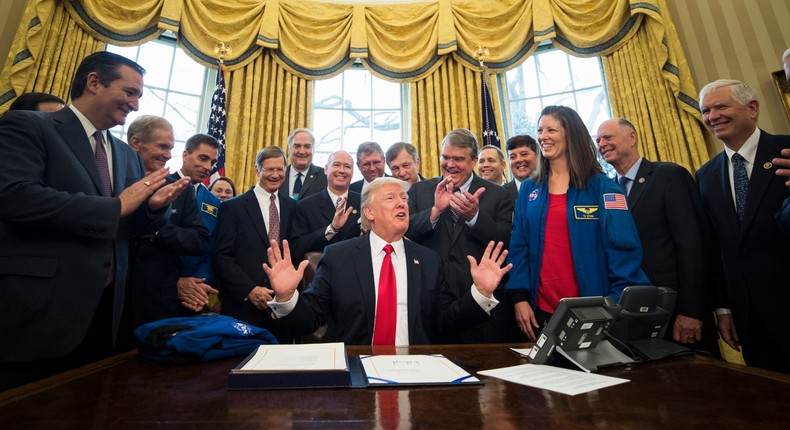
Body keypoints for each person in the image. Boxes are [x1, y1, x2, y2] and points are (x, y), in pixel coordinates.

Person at [0, 51, 189, 390]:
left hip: (107, 314)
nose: (134, 104)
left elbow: (130, 228)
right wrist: (114, 208)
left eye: (139, 97)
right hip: (41, 312)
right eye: (129, 92)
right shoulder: (29, 126)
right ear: (93, 82)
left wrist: (153, 210)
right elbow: (14, 197)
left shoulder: (126, 155)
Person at [264, 177, 512, 345]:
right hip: (355, 367)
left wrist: (479, 293)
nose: (402, 202)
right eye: (391, 198)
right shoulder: (339, 256)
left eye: (404, 198)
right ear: (369, 212)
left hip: (415, 367)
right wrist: (286, 297)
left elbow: (445, 324)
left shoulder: (428, 260)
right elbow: (310, 319)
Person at [505, 106, 650, 341]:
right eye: (540, 130)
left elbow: (623, 251)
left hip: (594, 313)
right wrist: (519, 297)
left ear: (571, 134)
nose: (542, 136)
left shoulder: (604, 188)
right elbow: (519, 247)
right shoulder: (529, 190)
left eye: (551, 129)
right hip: (540, 312)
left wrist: (612, 307)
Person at [597, 117, 718, 354]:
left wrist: (691, 310)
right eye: (598, 140)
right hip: (633, 312)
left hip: (676, 310)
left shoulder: (669, 176)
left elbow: (692, 245)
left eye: (608, 137)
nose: (601, 144)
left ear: (632, 137)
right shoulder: (607, 190)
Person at [696, 79, 790, 373]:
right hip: (749, 317)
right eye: (706, 110)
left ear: (752, 108)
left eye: (721, 106)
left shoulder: (787, 150)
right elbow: (715, 247)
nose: (713, 116)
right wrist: (723, 308)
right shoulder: (705, 175)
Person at [407, 128, 515, 343]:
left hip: (481, 301)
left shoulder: (498, 194)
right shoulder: (420, 191)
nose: (450, 164)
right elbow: (406, 231)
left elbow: (506, 240)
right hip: (431, 299)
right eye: (445, 157)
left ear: (474, 160)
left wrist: (475, 216)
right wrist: (435, 211)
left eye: (458, 159)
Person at [126, 116, 210, 327]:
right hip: (110, 294)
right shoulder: (113, 179)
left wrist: (155, 231)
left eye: (170, 147)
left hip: (158, 300)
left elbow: (199, 240)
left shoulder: (180, 188)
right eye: (162, 146)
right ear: (136, 143)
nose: (167, 154)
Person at [214, 146, 298, 342]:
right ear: (257, 169)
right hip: (243, 306)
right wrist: (249, 290)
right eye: (269, 169)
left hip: (282, 305)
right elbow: (222, 257)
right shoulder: (232, 207)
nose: (275, 174)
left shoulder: (293, 207)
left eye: (280, 169)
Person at [171, 134, 224, 311]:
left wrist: (198, 284)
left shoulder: (214, 202)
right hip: (158, 286)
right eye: (203, 158)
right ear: (185, 155)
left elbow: (211, 249)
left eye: (213, 162)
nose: (208, 167)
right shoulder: (161, 187)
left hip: (196, 294)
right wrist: (175, 282)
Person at [290, 150, 361, 261]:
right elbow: (297, 248)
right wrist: (331, 229)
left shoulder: (364, 203)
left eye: (347, 166)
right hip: (321, 272)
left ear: (352, 173)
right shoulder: (306, 206)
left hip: (357, 270)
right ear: (326, 169)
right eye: (336, 165)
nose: (342, 170)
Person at [278, 128, 326, 200]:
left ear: (313, 150)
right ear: (288, 150)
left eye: (307, 147)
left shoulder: (325, 177)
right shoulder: (278, 175)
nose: (302, 152)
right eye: (297, 146)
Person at [504, 135, 538, 200]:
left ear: (537, 156)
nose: (518, 160)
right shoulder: (501, 194)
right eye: (513, 157)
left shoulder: (550, 186)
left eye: (524, 154)